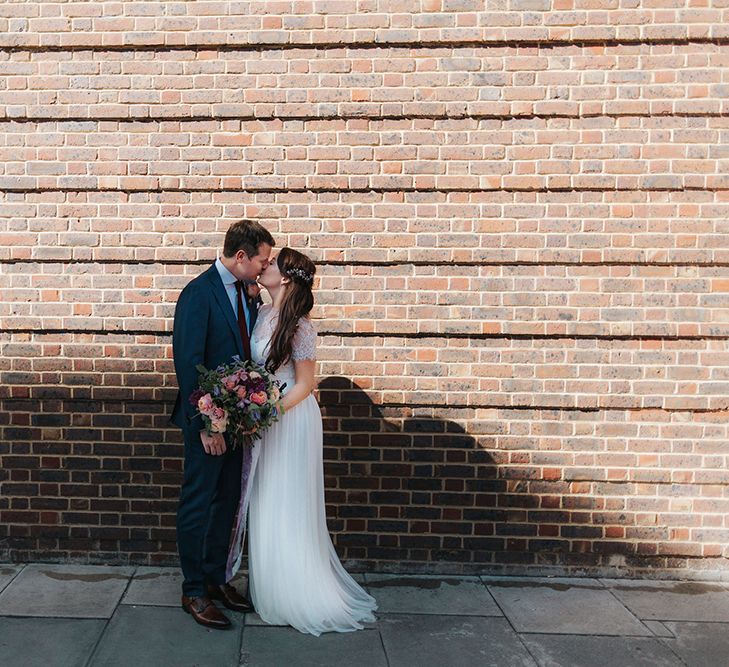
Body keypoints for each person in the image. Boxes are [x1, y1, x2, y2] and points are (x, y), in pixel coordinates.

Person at [242, 247, 378, 636]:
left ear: (285, 277)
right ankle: (270, 587)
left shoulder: (301, 325)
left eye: (270, 263)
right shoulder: (264, 313)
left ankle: (296, 592)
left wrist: (267, 412)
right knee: (264, 497)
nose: (262, 265)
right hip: (265, 416)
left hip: (289, 417)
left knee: (287, 500)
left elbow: (305, 385)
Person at [170, 220, 274, 629]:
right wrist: (207, 424)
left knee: (227, 503)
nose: (265, 267)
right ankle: (193, 589)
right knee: (198, 503)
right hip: (207, 423)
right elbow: (188, 363)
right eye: (262, 260)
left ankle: (215, 579)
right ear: (242, 257)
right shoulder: (198, 294)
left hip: (238, 423)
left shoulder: (245, 293)